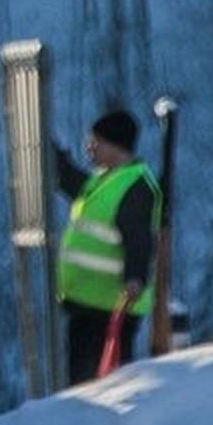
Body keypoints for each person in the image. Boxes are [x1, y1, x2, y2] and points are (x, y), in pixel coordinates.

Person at [51, 108, 160, 385]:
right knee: (83, 387)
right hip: (89, 305)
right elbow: (72, 181)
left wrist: (135, 277)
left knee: (100, 388)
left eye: (95, 141)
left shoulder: (136, 186)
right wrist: (50, 153)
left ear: (115, 146)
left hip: (109, 309)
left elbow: (139, 237)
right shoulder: (103, 181)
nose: (89, 147)